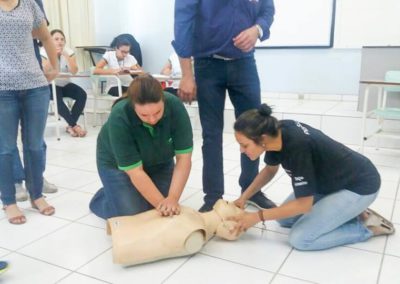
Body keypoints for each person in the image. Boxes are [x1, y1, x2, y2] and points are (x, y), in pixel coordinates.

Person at [228, 104, 395, 250]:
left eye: (244, 145)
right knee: (283, 220)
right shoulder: (276, 133)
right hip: (327, 183)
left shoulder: (297, 146)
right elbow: (270, 170)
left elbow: (304, 205)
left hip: (359, 185)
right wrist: (244, 197)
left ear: (262, 139)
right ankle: (351, 210)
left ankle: (366, 227)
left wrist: (256, 217)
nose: (242, 151)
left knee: (301, 239)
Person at [173, 0, 276, 212]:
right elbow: (183, 21)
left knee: (255, 130)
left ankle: (251, 191)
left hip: (244, 63)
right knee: (211, 134)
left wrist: (257, 29)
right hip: (207, 64)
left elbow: (267, 9)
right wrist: (186, 74)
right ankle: (213, 198)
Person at [89, 74, 193, 219]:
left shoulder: (175, 106)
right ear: (133, 106)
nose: (152, 119)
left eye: (157, 112)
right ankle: (104, 197)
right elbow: (135, 172)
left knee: (155, 207)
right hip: (117, 166)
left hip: (160, 162)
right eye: (144, 115)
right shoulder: (120, 116)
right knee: (133, 213)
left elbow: (184, 159)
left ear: (163, 100)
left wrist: (173, 198)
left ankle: (120, 193)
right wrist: (162, 205)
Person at [0, 0, 58, 225]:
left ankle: (36, 195)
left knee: (34, 145)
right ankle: (9, 200)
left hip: (35, 85)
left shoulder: (29, 5)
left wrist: (55, 66)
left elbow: (45, 37)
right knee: (5, 148)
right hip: (2, 89)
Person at [108, 199, 244, 266]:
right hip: (124, 225)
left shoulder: (195, 235)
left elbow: (152, 241)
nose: (235, 204)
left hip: (125, 242)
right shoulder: (193, 215)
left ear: (228, 226)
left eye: (238, 210)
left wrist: (123, 245)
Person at [42, 29, 88, 137]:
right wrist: (53, 54)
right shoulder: (44, 51)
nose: (60, 42)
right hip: (50, 84)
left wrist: (66, 56)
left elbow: (74, 71)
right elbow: (45, 70)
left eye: (62, 39)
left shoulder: (69, 52)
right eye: (56, 39)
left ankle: (71, 126)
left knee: (82, 94)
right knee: (58, 98)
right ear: (50, 41)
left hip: (65, 83)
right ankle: (74, 125)